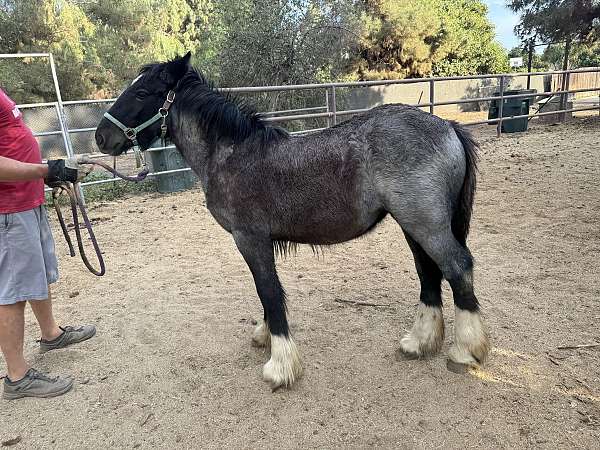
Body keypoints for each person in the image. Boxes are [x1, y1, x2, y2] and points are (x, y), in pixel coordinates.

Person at [0, 87, 96, 400]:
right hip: (8, 209)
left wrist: (42, 174)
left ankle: (51, 333)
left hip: (25, 201)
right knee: (12, 290)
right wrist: (45, 169)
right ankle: (17, 376)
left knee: (35, 275)